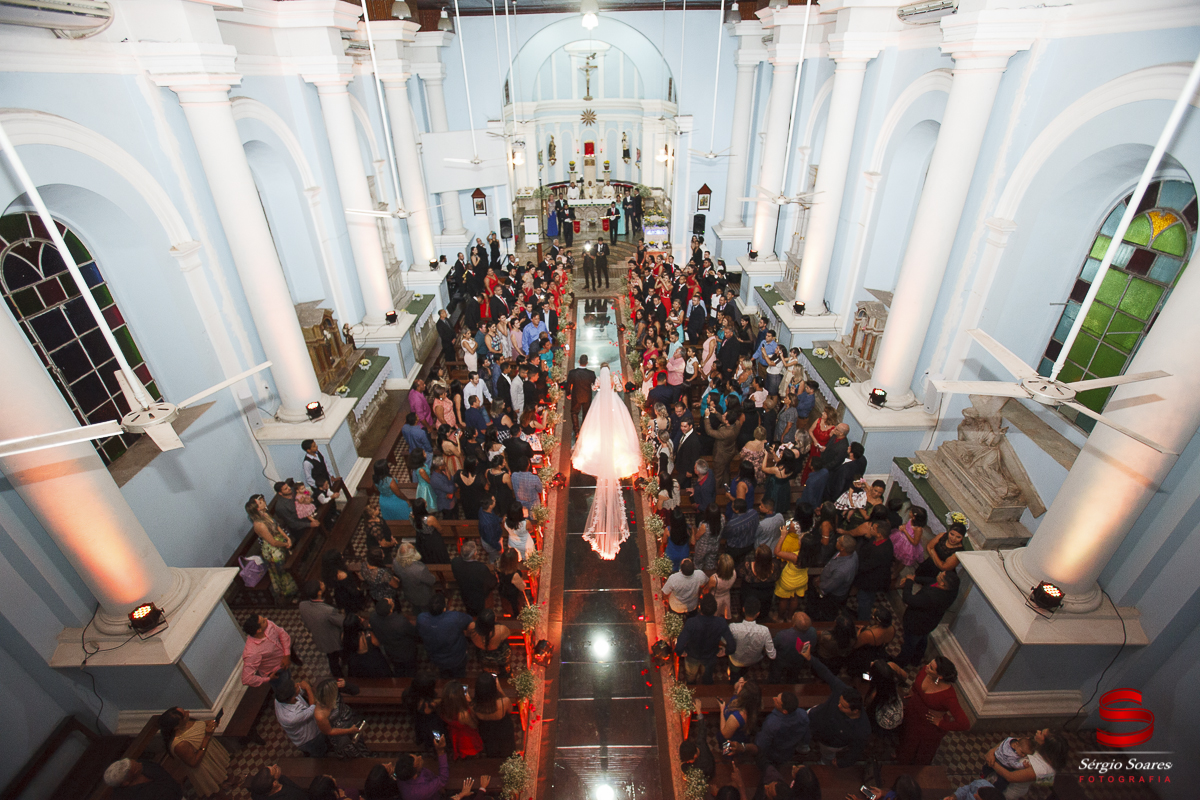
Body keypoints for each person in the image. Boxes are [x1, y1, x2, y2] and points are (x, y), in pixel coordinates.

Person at [573, 364, 641, 559]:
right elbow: (619, 389)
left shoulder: (599, 381)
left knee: (597, 428)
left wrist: (601, 388)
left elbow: (595, 388)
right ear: (609, 372)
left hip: (601, 405)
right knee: (618, 428)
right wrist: (614, 386)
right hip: (612, 404)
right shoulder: (614, 380)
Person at [799, 646, 871, 767]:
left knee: (827, 754)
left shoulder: (862, 728)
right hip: (815, 717)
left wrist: (842, 763)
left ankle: (824, 762)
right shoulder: (841, 689)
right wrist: (810, 658)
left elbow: (856, 751)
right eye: (839, 701)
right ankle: (803, 745)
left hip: (829, 742)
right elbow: (826, 674)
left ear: (855, 711)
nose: (838, 705)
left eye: (843, 706)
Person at [896, 656, 970, 765]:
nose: (926, 667)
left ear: (939, 676)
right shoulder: (925, 671)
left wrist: (940, 723)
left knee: (915, 748)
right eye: (929, 663)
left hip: (926, 725)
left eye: (931, 667)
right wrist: (913, 692)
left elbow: (964, 724)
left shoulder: (949, 697)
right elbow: (917, 683)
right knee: (905, 736)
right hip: (912, 712)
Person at [156, 708, 229, 796]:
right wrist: (207, 736)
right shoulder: (179, 745)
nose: (188, 712)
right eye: (184, 715)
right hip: (203, 765)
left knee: (221, 774)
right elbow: (194, 762)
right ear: (176, 727)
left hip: (210, 754)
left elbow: (199, 725)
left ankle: (226, 784)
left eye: (185, 711)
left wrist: (210, 723)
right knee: (216, 787)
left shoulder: (187, 722)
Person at [898, 569, 961, 666]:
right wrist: (915, 578)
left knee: (909, 644)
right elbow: (932, 581)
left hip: (917, 624)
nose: (938, 574)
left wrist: (909, 583)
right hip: (930, 622)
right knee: (922, 640)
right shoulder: (952, 589)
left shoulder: (932, 597)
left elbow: (908, 599)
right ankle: (916, 659)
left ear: (943, 584)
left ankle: (901, 663)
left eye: (940, 575)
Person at [245, 495, 299, 604]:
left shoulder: (264, 514)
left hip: (280, 542)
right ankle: (290, 594)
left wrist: (287, 538)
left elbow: (276, 526)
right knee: (282, 574)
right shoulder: (260, 525)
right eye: (260, 503)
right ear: (257, 509)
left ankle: (296, 585)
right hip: (273, 551)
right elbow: (273, 542)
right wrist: (285, 544)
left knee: (287, 568)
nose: (263, 502)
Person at [675, 593, 733, 684]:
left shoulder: (691, 623)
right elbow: (732, 644)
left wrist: (681, 652)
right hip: (710, 656)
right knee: (707, 676)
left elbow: (679, 644)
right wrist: (725, 651)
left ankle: (692, 687)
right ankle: (707, 688)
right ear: (715, 610)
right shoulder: (721, 622)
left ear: (699, 607)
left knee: (690, 676)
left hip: (692, 656)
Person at [417, 592, 473, 678]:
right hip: (457, 658)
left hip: (436, 658)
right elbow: (469, 619)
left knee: (444, 674)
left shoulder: (421, 618)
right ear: (444, 608)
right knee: (460, 675)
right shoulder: (454, 618)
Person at [298, 580, 345, 677]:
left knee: (331, 656)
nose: (323, 583)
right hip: (332, 639)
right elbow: (342, 622)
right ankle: (340, 679)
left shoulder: (302, 605)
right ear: (319, 592)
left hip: (319, 637)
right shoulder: (328, 611)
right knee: (334, 660)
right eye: (321, 584)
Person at [312, 677, 368, 758]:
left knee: (359, 742)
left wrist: (346, 685)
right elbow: (329, 731)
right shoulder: (320, 714)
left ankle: (366, 755)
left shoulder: (334, 690)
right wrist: (349, 731)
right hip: (341, 734)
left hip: (350, 720)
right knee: (350, 750)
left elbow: (356, 691)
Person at [755, 691, 810, 773]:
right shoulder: (803, 715)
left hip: (774, 753)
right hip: (790, 750)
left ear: (784, 711)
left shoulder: (772, 724)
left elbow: (762, 744)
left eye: (777, 701)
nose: (774, 698)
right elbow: (806, 733)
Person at [273, 676, 328, 757]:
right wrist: (308, 688)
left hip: (307, 730)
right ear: (292, 697)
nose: (298, 685)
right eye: (296, 686)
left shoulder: (281, 697)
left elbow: (300, 693)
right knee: (319, 752)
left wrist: (301, 689)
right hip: (310, 738)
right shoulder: (291, 716)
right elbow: (312, 709)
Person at [727, 594, 776, 681]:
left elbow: (725, 641)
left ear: (743, 609)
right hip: (753, 660)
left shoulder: (733, 627)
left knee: (734, 676)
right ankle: (743, 674)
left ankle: (734, 681)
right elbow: (772, 655)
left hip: (736, 660)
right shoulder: (764, 631)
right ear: (758, 614)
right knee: (744, 671)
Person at [854, 519, 895, 621]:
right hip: (873, 576)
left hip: (870, 581)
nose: (870, 528)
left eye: (872, 528)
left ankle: (863, 621)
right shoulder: (882, 541)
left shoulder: (880, 551)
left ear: (879, 534)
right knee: (868, 597)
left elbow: (866, 566)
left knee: (864, 599)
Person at [370, 597, 420, 677]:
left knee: (398, 669)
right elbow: (413, 632)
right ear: (390, 610)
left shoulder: (373, 618)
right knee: (411, 670)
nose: (390, 599)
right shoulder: (400, 622)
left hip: (390, 650)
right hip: (406, 651)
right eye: (390, 601)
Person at [241, 613, 293, 689]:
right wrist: (267, 679)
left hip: (284, 662)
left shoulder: (268, 625)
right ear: (258, 630)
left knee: (289, 680)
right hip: (276, 674)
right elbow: (246, 679)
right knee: (284, 690)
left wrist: (286, 655)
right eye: (263, 621)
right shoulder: (252, 652)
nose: (266, 619)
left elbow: (281, 633)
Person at [473, 671, 517, 758]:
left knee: (491, 749)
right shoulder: (503, 702)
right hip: (504, 731)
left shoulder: (474, 706)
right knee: (507, 749)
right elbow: (510, 710)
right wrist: (500, 690)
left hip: (486, 732)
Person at [451, 540, 498, 615]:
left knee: (469, 608)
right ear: (474, 554)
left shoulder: (455, 562)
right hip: (478, 595)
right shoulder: (480, 568)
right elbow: (491, 582)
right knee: (479, 611)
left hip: (464, 591)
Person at [104, 758, 182, 800]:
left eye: (136, 763)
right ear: (126, 782)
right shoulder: (128, 797)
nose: (140, 764)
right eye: (135, 769)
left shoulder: (145, 766)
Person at [394, 542, 437, 614]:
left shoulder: (395, 562)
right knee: (426, 612)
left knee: (416, 608)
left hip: (408, 592)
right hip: (423, 596)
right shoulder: (419, 569)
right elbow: (431, 581)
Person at [469, 608, 513, 677]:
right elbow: (508, 633)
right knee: (503, 667)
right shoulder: (501, 630)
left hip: (482, 654)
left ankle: (486, 672)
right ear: (494, 621)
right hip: (499, 656)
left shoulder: (472, 627)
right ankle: (505, 674)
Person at [566, 354, 597, 431]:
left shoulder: (572, 373)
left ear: (579, 361)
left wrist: (568, 393)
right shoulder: (591, 374)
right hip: (587, 396)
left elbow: (568, 384)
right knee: (586, 413)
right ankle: (584, 430)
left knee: (574, 412)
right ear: (587, 363)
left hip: (576, 395)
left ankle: (576, 431)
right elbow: (595, 384)